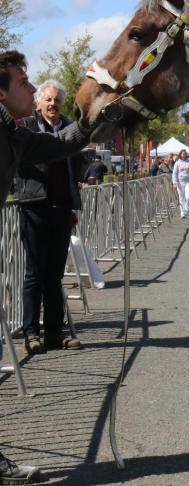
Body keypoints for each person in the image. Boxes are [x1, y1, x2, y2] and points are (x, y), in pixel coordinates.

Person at [0, 49, 98, 486]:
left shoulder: (11, 130)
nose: (34, 88)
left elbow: (62, 144)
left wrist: (98, 116)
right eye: (23, 82)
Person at [16, 79, 89, 355]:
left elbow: (77, 166)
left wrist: (73, 201)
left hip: (61, 210)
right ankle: (31, 333)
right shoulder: (26, 128)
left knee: (54, 276)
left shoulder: (71, 129)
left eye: (56, 100)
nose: (52, 104)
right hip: (34, 207)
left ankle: (54, 335)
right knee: (35, 273)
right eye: (47, 99)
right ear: (38, 103)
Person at [172, 149, 189, 218]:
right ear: (180, 154)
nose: (184, 155)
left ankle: (186, 209)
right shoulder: (177, 162)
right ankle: (182, 212)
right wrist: (174, 182)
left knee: (188, 197)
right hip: (180, 182)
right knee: (181, 197)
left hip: (188, 182)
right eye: (183, 154)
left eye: (185, 154)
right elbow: (174, 173)